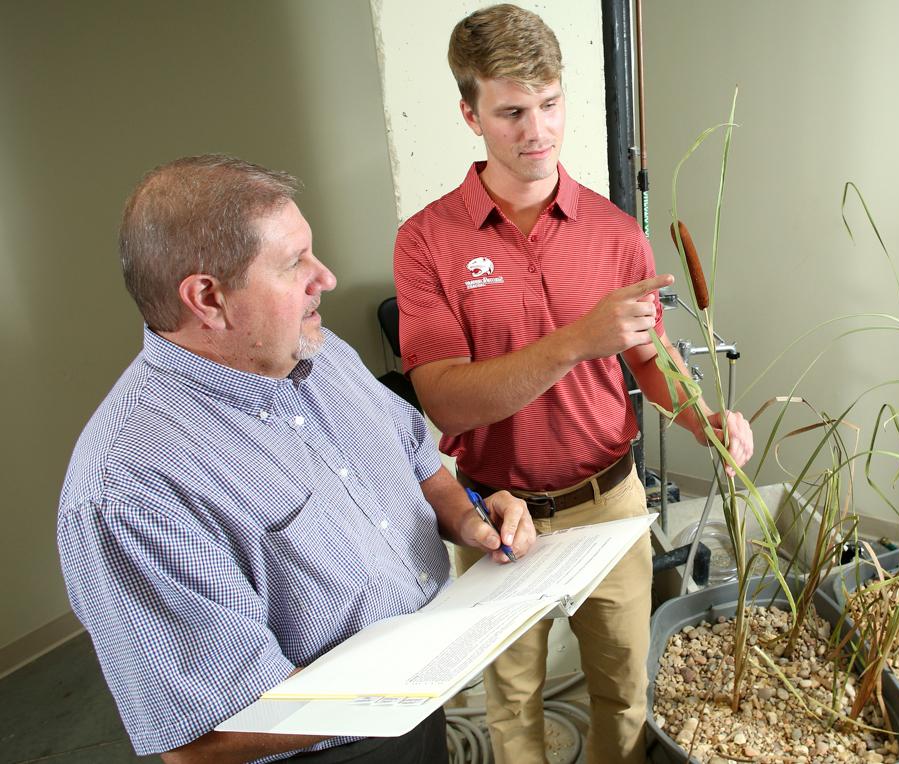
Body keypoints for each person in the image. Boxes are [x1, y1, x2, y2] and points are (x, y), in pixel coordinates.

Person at [57, 154, 535, 764]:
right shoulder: (129, 488)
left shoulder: (320, 351)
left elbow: (414, 456)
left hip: (417, 706)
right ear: (207, 298)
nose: (326, 278)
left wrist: (469, 519)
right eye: (294, 264)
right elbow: (205, 738)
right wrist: (413, 681)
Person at [391, 6, 754, 763]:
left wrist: (702, 421)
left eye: (550, 105)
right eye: (512, 112)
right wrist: (574, 342)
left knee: (624, 689)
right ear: (470, 114)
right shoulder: (427, 241)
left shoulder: (614, 232)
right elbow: (446, 400)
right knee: (512, 701)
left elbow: (651, 358)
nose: (537, 131)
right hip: (498, 516)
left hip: (610, 503)